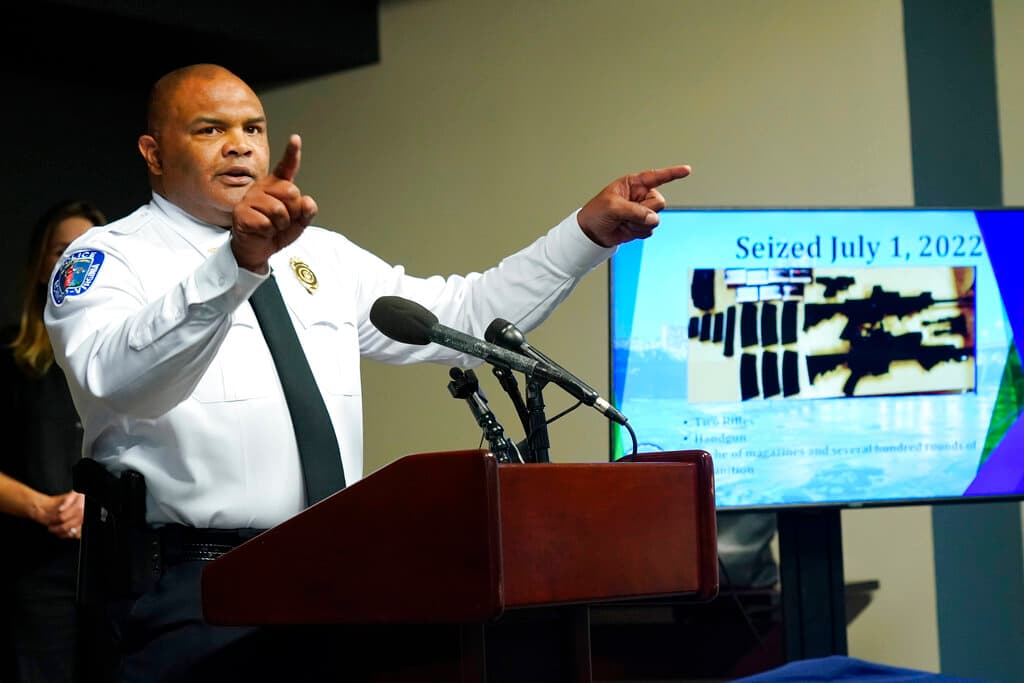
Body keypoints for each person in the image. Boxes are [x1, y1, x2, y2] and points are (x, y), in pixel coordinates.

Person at [43, 63, 691, 682]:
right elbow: (118, 380)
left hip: (332, 576)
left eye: (253, 128)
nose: (239, 147)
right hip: (190, 591)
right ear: (153, 153)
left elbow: (464, 316)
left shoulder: (319, 255)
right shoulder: (107, 258)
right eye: (210, 129)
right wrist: (235, 265)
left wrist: (585, 234)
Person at [0, 200, 106, 683]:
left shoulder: (132, 355)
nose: (76, 260)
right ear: (42, 265)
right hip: (35, 570)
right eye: (63, 250)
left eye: (90, 250)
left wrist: (97, 503)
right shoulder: (10, 358)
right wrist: (44, 509)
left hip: (117, 568)